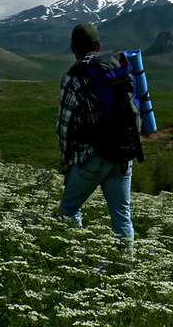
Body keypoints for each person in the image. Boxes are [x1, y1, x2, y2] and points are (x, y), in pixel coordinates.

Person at [56, 23, 136, 245]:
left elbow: (64, 128)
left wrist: (66, 166)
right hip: (123, 155)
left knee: (70, 208)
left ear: (74, 48)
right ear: (99, 46)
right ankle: (126, 269)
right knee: (122, 217)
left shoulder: (73, 78)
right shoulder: (118, 70)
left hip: (91, 157)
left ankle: (75, 258)